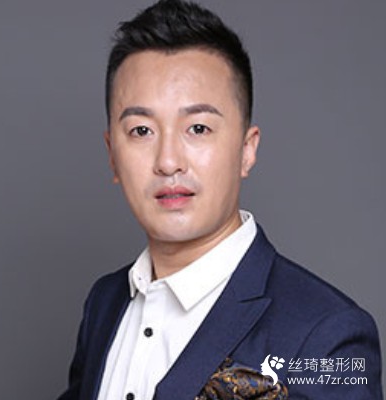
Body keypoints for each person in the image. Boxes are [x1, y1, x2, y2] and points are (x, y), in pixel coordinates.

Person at [57, 1, 383, 399]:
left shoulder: (327, 334)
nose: (168, 161)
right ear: (112, 154)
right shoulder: (104, 303)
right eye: (141, 130)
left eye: (198, 128)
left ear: (247, 150)